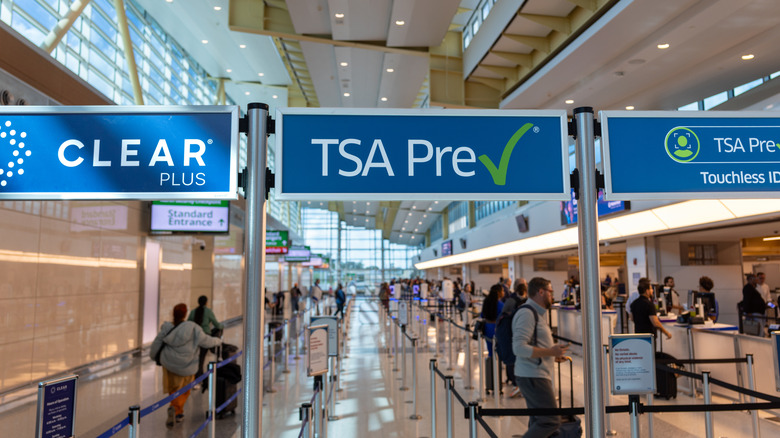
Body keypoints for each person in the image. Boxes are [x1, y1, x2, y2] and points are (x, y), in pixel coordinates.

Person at [512, 277, 569, 437]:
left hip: (536, 373)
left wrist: (553, 356)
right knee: (550, 420)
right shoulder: (527, 313)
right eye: (550, 291)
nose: (552, 295)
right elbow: (519, 348)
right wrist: (551, 352)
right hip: (532, 375)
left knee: (538, 420)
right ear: (541, 292)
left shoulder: (537, 313)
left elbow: (534, 345)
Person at [151, 303, 222, 428]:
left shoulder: (167, 328)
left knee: (174, 388)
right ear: (185, 314)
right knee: (186, 389)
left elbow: (157, 343)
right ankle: (177, 412)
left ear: (173, 314)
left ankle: (174, 408)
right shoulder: (193, 328)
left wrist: (153, 356)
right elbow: (206, 341)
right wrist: (218, 340)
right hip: (188, 365)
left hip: (169, 363)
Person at [187, 296, 224, 390]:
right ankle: (199, 380)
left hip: (194, 338)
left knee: (196, 359)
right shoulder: (208, 311)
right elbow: (216, 324)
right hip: (205, 337)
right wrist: (222, 326)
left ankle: (194, 378)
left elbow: (188, 324)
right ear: (206, 302)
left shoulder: (193, 312)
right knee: (201, 359)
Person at [481, 284, 505, 357]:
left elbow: (482, 315)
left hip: (487, 328)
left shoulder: (486, 301)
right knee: (499, 350)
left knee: (490, 350)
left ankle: (491, 365)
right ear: (499, 292)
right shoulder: (501, 304)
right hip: (497, 328)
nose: (504, 292)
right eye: (503, 290)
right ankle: (497, 366)